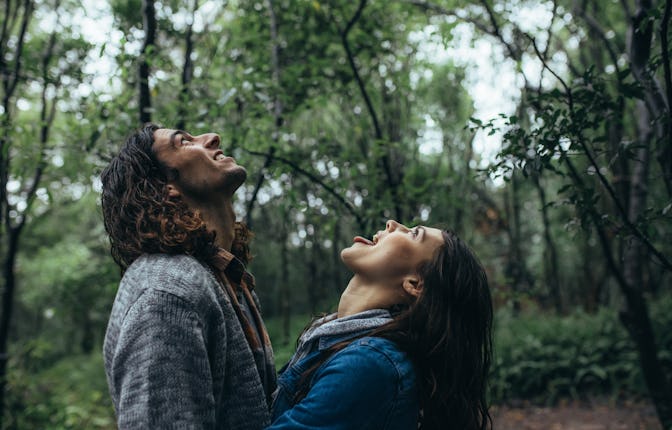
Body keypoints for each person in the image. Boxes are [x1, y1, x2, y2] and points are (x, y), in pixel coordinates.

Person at [100, 123, 275, 429]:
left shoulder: (224, 279)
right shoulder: (168, 294)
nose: (213, 137)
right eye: (183, 142)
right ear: (165, 185)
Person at [269, 220, 493, 430]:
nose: (392, 224)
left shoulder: (370, 365)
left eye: (414, 234)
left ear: (415, 284)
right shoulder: (331, 338)